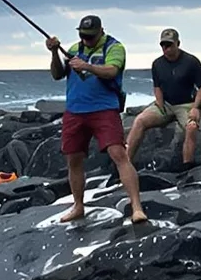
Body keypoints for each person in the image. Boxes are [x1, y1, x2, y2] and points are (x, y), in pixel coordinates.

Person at [43, 14, 149, 225]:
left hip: (104, 108)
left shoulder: (114, 47)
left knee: (118, 153)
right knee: (73, 158)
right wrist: (55, 52)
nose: (86, 40)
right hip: (75, 110)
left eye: (90, 36)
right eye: (83, 35)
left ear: (101, 31)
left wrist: (88, 67)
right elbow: (57, 74)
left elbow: (111, 71)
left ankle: (136, 207)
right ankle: (78, 206)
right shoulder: (74, 49)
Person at [129, 27, 201, 168]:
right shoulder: (157, 64)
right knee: (140, 121)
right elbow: (157, 86)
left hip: (186, 104)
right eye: (163, 45)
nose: (166, 49)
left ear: (177, 43)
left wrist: (196, 107)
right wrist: (160, 104)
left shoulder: (191, 61)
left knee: (191, 127)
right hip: (166, 104)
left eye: (169, 45)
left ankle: (187, 166)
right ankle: (125, 163)